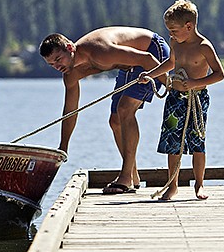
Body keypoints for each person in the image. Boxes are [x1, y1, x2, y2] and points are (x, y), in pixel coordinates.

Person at [39, 27, 169, 194]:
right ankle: (133, 176)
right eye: (52, 64)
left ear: (70, 48)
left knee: (125, 110)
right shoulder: (70, 74)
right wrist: (63, 145)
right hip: (129, 65)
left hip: (152, 51)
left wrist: (172, 86)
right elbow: (70, 110)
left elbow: (147, 58)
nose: (57, 66)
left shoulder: (100, 51)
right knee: (115, 121)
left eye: (58, 59)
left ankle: (125, 177)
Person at [139, 0, 224, 200]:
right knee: (172, 142)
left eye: (174, 30)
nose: (171, 34)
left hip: (197, 99)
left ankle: (199, 184)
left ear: (189, 26)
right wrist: (150, 74)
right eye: (169, 30)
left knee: (197, 142)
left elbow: (219, 74)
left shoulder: (204, 46)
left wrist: (196, 83)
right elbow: (170, 63)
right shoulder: (175, 42)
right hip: (175, 98)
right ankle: (173, 185)